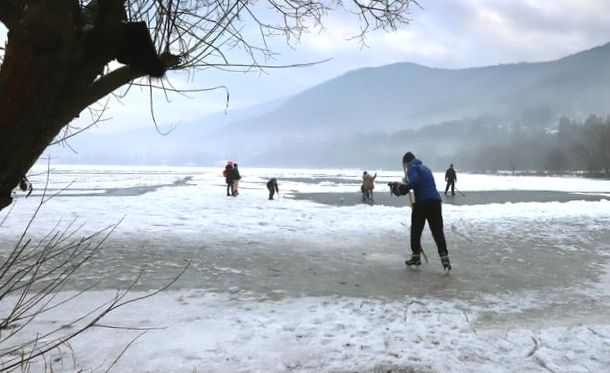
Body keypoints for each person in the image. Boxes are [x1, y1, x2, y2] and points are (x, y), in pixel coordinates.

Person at [389, 151, 451, 270]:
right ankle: (444, 257)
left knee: (416, 230)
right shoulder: (425, 168)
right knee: (437, 231)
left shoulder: (411, 168)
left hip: (422, 203)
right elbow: (421, 182)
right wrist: (404, 184)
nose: (406, 168)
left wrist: (402, 189)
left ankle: (416, 256)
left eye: (405, 165)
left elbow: (415, 182)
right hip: (435, 202)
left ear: (406, 163)